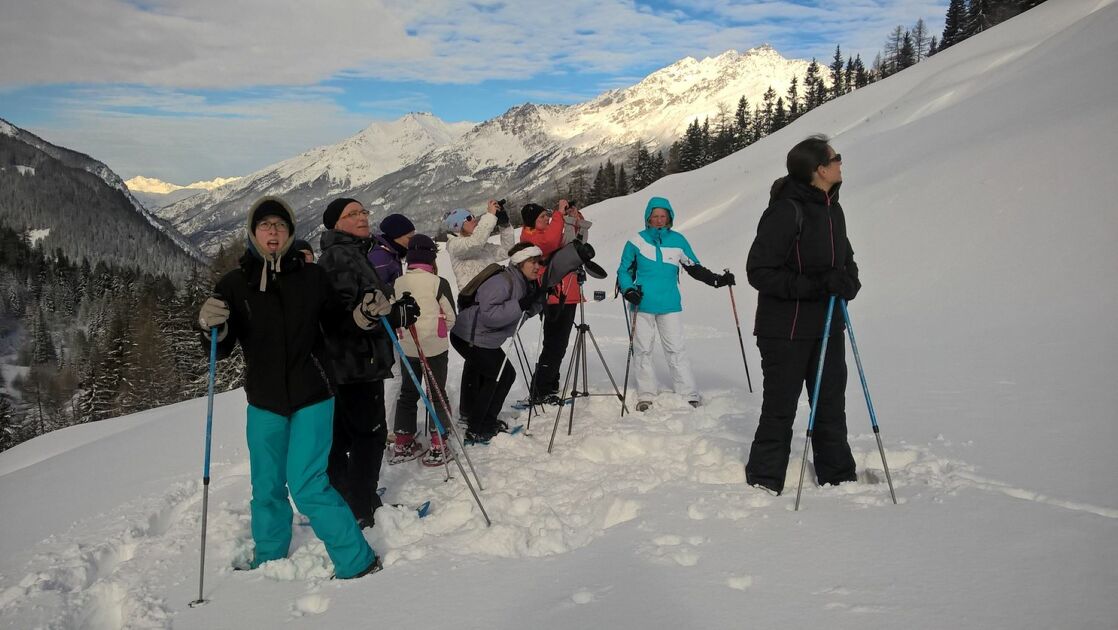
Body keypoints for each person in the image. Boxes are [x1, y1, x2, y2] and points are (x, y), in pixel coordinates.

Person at [196, 196, 379, 579]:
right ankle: (269, 554)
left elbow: (338, 325)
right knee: (266, 485)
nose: (273, 231)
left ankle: (356, 560)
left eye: (280, 224)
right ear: (253, 233)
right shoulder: (234, 284)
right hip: (263, 400)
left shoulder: (313, 278)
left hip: (313, 394)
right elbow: (222, 347)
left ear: (291, 232)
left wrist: (361, 316)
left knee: (307, 483)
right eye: (265, 225)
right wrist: (210, 327)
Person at [743, 135, 860, 496]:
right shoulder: (786, 211)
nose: (841, 163)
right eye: (835, 158)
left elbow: (846, 260)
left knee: (830, 404)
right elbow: (759, 271)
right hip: (785, 330)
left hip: (827, 326)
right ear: (819, 170)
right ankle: (765, 479)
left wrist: (848, 282)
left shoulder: (832, 209)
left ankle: (837, 476)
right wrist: (817, 285)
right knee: (780, 407)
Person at [318, 197, 419, 527]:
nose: (363, 218)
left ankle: (349, 495)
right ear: (336, 223)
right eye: (353, 214)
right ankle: (362, 505)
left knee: (348, 435)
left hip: (353, 362)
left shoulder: (352, 253)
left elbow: (368, 307)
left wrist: (394, 310)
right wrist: (388, 314)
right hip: (355, 363)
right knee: (369, 435)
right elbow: (346, 316)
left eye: (364, 212)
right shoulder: (341, 258)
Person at [450, 241, 594, 442]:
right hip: (470, 336)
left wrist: (538, 299)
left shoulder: (523, 282)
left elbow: (521, 315)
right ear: (519, 263)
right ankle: (478, 427)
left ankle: (480, 420)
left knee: (498, 374)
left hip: (481, 337)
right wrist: (521, 303)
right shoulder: (502, 281)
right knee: (502, 375)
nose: (537, 267)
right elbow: (489, 315)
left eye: (538, 262)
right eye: (532, 262)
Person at [616, 196, 734, 412]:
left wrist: (717, 280)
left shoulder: (678, 240)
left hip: (669, 303)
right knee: (643, 350)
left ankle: (688, 393)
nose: (659, 220)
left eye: (663, 216)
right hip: (641, 304)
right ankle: (646, 394)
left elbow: (694, 267)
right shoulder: (636, 241)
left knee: (676, 349)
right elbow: (623, 271)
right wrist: (628, 290)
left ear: (669, 217)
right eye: (655, 216)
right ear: (648, 218)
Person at [390, 234, 457, 467]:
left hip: (408, 346)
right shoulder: (438, 282)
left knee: (408, 393)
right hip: (434, 347)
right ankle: (439, 442)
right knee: (436, 392)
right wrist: (440, 330)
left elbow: (393, 314)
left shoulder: (398, 283)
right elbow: (451, 316)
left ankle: (403, 440)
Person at [519, 199, 585, 404]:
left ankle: (549, 383)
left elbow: (572, 241)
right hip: (554, 295)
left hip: (566, 291)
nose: (546, 219)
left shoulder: (545, 232)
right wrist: (558, 214)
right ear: (531, 222)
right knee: (555, 343)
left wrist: (574, 217)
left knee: (558, 342)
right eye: (542, 217)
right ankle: (540, 388)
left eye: (546, 216)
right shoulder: (531, 237)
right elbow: (552, 240)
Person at [444, 199, 515, 290]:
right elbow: (475, 243)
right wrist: (490, 215)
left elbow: (507, 251)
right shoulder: (454, 245)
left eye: (473, 216)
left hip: (495, 293)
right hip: (475, 299)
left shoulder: (482, 246)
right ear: (457, 226)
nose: (474, 220)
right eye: (469, 218)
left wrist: (504, 225)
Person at [368, 212, 416, 286]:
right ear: (396, 236)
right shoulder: (381, 258)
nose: (412, 241)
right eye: (409, 238)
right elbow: (376, 289)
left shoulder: (392, 253)